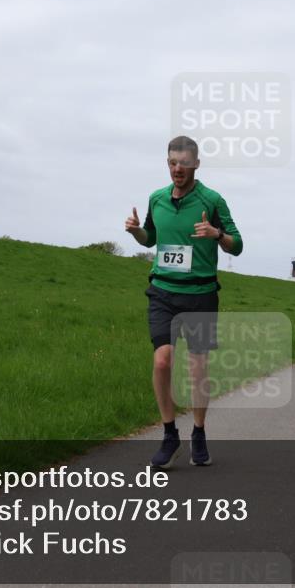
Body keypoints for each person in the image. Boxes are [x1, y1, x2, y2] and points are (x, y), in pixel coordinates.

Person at [125, 135, 243, 469]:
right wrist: (136, 232)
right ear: (167, 163)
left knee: (197, 368)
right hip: (162, 291)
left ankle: (200, 432)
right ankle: (168, 434)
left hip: (200, 294)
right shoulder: (157, 199)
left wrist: (217, 235)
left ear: (196, 164)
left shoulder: (213, 200)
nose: (178, 169)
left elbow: (238, 246)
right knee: (162, 361)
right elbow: (151, 237)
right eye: (172, 163)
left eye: (184, 164)